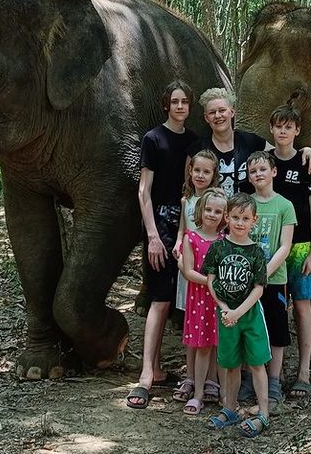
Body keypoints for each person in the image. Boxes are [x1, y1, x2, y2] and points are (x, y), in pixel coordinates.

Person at [126, 81, 198, 409]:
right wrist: (153, 236)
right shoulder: (153, 139)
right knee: (160, 299)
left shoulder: (195, 141)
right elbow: (143, 191)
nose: (180, 106)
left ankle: (174, 372)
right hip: (160, 224)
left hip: (188, 224)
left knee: (184, 300)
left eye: (185, 102)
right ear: (166, 105)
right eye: (175, 101)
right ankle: (145, 375)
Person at [203, 192, 271, 438]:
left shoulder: (256, 252)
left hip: (250, 316)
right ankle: (229, 408)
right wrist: (224, 308)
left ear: (254, 220)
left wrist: (238, 312)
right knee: (230, 364)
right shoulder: (218, 248)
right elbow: (211, 280)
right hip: (225, 315)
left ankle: (263, 412)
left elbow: (259, 288)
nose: (240, 223)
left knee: (256, 363)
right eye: (235, 217)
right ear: (227, 218)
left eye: (245, 218)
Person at [268, 105, 311, 399]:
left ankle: (303, 372)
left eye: (289, 127)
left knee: (302, 306)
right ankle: (271, 373)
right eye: (279, 126)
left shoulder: (307, 163)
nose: (283, 131)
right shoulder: (265, 162)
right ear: (272, 129)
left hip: (300, 248)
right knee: (273, 309)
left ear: (297, 131)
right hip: (271, 250)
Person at [189, 87, 311, 197]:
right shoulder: (198, 148)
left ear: (232, 112)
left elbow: (280, 153)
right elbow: (189, 188)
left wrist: (305, 151)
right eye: (212, 112)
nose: (218, 116)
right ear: (206, 118)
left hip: (245, 220)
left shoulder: (251, 141)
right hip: (212, 220)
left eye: (222, 110)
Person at [245, 150, 296, 415]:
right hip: (247, 282)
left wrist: (264, 272)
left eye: (262, 169)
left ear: (274, 172)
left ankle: (274, 381)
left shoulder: (285, 206)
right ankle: (249, 379)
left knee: (276, 331)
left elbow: (285, 246)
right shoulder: (244, 205)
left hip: (274, 280)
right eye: (253, 171)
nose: (258, 174)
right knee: (250, 328)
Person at [172, 150, 220, 405]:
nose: (200, 175)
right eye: (197, 170)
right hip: (188, 266)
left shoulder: (218, 201)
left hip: (209, 270)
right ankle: (190, 377)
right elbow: (183, 228)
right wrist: (179, 244)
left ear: (214, 175)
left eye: (206, 171)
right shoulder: (186, 200)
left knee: (211, 326)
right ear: (190, 171)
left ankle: (210, 379)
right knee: (193, 324)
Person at [179, 187, 228, 415]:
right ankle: (198, 393)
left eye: (217, 211)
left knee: (223, 347)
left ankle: (225, 394)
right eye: (208, 209)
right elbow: (188, 271)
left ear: (224, 216)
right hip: (200, 300)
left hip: (221, 302)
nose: (212, 214)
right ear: (200, 210)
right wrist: (211, 282)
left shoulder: (224, 240)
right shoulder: (191, 238)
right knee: (203, 347)